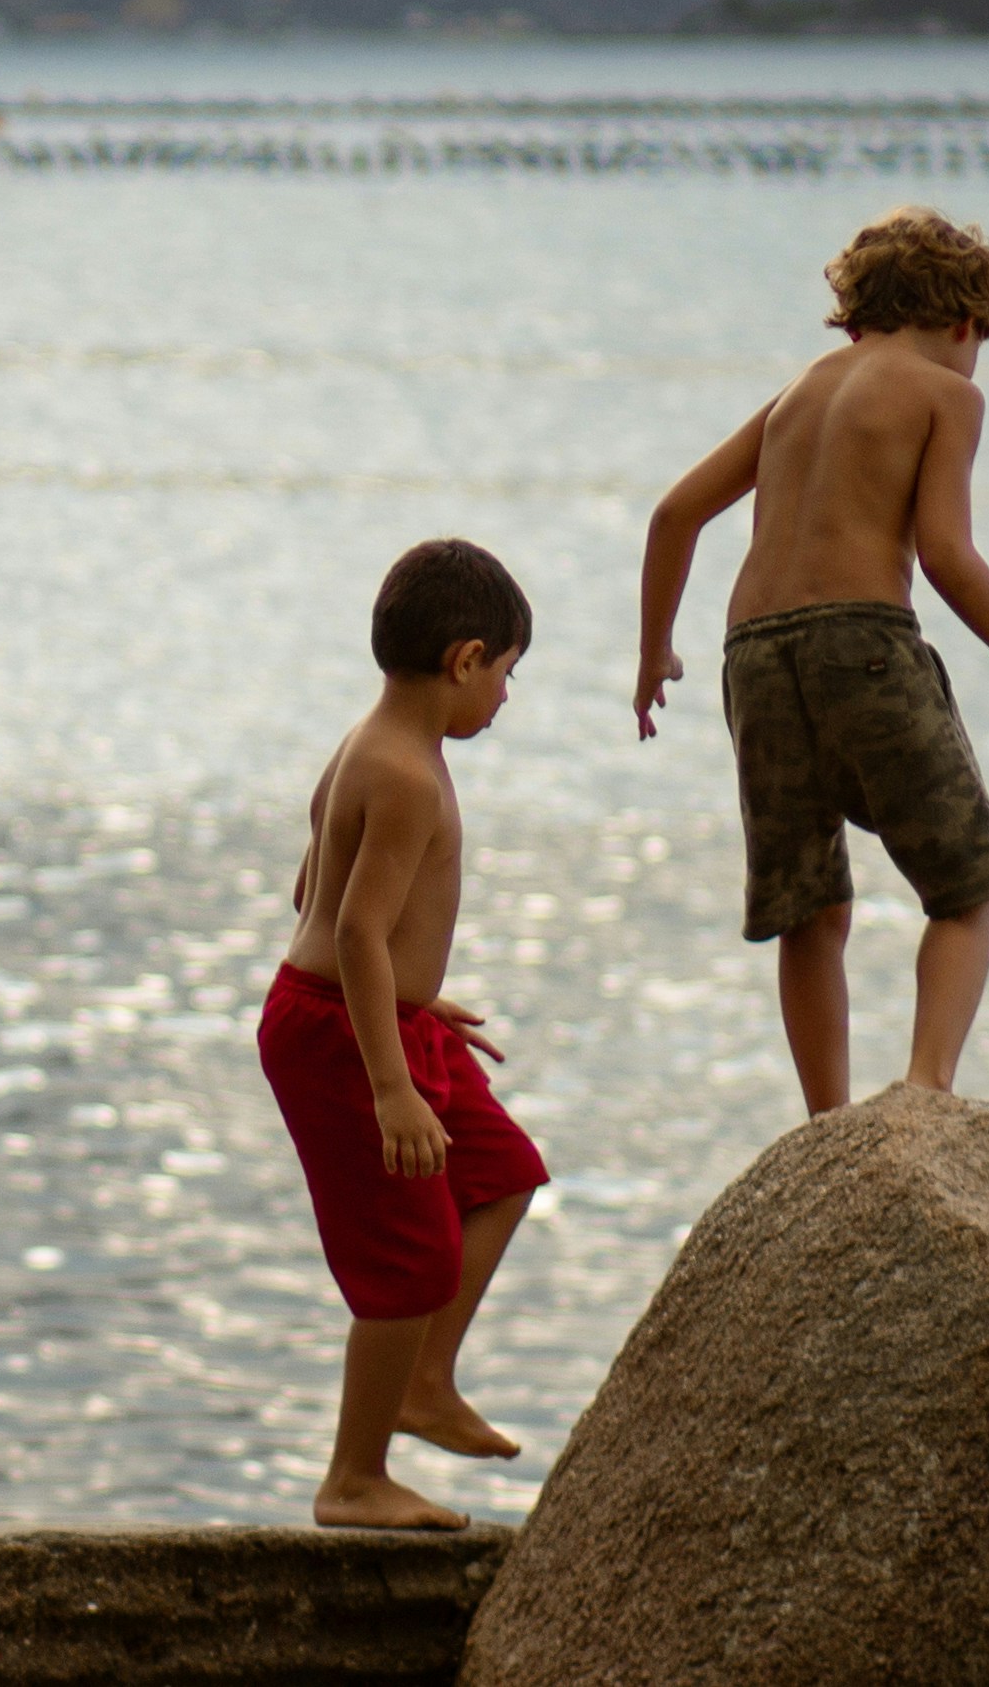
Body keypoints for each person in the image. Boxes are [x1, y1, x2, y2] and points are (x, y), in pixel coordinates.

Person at [635, 207, 989, 1115]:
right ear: (961, 321)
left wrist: (652, 652)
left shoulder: (798, 392)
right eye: (982, 338)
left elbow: (674, 513)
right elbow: (946, 553)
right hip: (863, 643)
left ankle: (826, 1121)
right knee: (966, 882)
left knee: (809, 907)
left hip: (751, 657)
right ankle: (925, 1087)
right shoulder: (948, 394)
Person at [260, 535, 549, 1531]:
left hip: (376, 1014)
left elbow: (312, 886)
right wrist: (388, 1077)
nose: (504, 701)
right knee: (407, 1257)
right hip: (341, 1034)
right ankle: (352, 1476)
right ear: (465, 658)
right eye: (506, 675)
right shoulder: (406, 776)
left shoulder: (366, 745)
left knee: (501, 1171)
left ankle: (425, 1383)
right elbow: (348, 927)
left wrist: (414, 998)